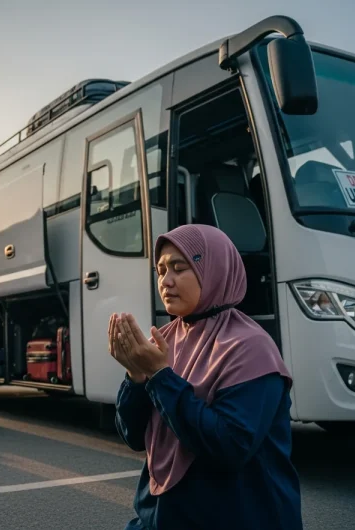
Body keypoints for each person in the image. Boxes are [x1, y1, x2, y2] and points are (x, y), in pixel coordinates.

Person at [110, 224, 302, 530]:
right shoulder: (166, 339)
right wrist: (135, 374)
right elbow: (134, 437)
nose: (166, 281)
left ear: (214, 269)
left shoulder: (249, 347)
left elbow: (229, 447)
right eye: (160, 271)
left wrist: (160, 375)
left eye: (179, 268)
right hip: (159, 518)